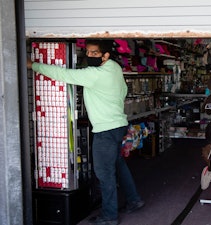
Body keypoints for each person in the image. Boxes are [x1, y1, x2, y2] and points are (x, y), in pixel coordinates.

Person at [27, 39, 144, 225]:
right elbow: (123, 90)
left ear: (105, 55)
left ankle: (109, 217)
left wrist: (34, 65)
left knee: (104, 174)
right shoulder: (114, 67)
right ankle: (134, 199)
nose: (89, 56)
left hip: (105, 129)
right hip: (118, 124)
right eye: (87, 52)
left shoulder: (94, 74)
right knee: (118, 164)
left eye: (94, 53)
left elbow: (63, 74)